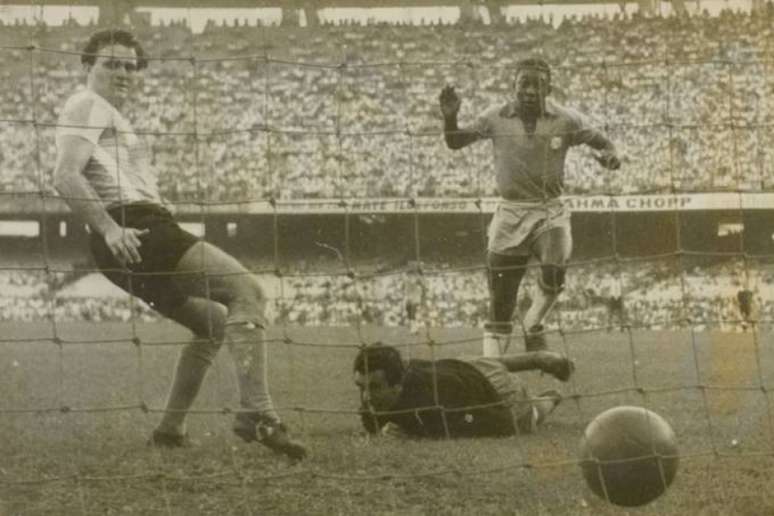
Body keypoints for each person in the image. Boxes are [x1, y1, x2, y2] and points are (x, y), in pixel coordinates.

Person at [53, 29, 306, 460]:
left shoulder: (111, 114)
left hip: (127, 237)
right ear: (86, 67)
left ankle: (170, 430)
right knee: (248, 291)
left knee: (210, 326)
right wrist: (111, 228)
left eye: (131, 66)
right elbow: (64, 175)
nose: (123, 73)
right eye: (110, 64)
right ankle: (257, 414)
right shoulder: (87, 103)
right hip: (134, 229)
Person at [439, 57, 621, 356]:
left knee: (554, 264)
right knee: (500, 303)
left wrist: (612, 156)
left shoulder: (566, 119)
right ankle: (493, 371)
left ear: (548, 88)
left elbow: (604, 142)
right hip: (510, 211)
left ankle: (534, 321)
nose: (530, 91)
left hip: (549, 209)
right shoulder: (494, 117)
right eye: (524, 83)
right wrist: (449, 119)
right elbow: (455, 142)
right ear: (514, 85)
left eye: (538, 84)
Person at [353, 344, 574, 439]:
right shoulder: (394, 373)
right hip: (462, 365)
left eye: (374, 387)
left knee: (524, 419)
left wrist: (414, 432)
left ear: (397, 385)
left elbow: (497, 422)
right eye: (361, 387)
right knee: (486, 364)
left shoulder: (430, 407)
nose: (366, 398)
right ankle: (538, 358)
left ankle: (551, 398)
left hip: (495, 388)